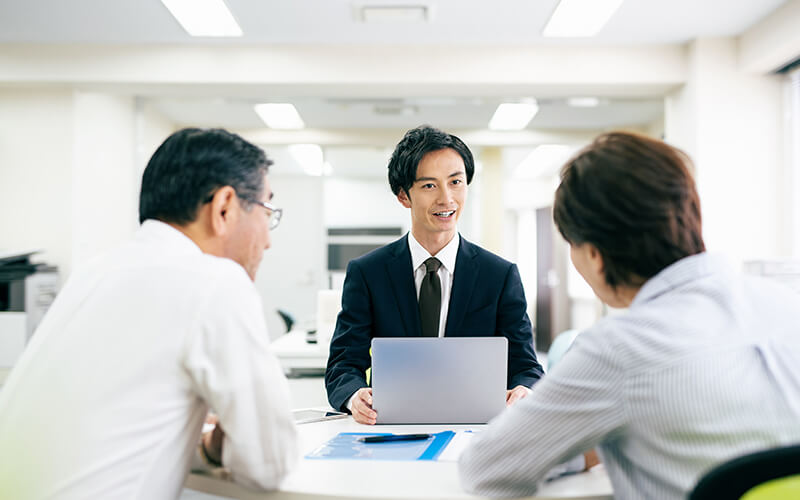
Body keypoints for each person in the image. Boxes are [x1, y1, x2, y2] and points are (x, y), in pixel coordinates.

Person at [458, 132, 800, 499]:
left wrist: (581, 445)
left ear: (594, 256)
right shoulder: (786, 304)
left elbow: (485, 469)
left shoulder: (617, 349)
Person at [0, 128, 298, 499]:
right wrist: (230, 438)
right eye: (267, 212)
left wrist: (206, 445)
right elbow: (269, 466)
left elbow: (120, 432)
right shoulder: (216, 282)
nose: (267, 239)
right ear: (224, 207)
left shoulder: (95, 273)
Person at [325, 125, 544, 424]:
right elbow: (343, 364)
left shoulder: (499, 275)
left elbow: (526, 367)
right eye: (429, 186)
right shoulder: (368, 273)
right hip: (391, 426)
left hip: (476, 428)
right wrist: (355, 395)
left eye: (456, 182)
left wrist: (523, 390)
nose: (447, 199)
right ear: (404, 195)